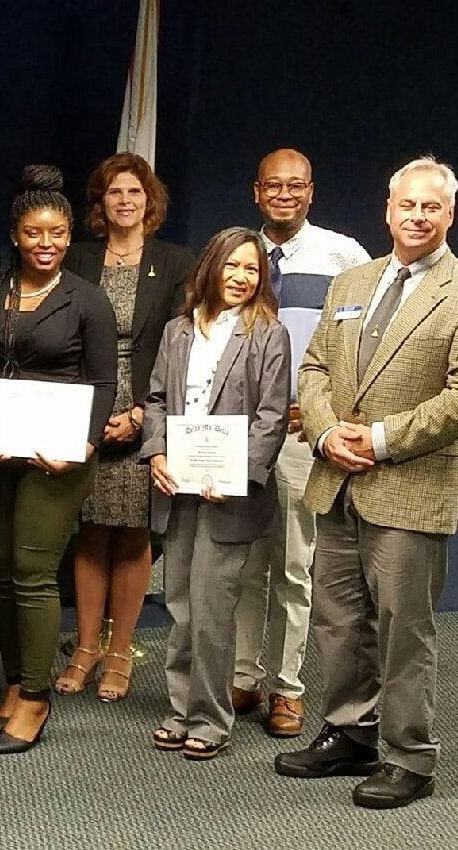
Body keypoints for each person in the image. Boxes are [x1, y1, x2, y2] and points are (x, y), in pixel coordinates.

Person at [276, 157, 458, 809]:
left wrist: (376, 441)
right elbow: (316, 364)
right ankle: (351, 732)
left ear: (448, 215)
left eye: (429, 207)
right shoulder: (350, 281)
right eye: (405, 205)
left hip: (408, 487)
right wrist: (324, 433)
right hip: (336, 479)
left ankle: (409, 757)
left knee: (402, 626)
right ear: (386, 209)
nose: (415, 216)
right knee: (338, 618)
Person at [0, 165, 118, 754]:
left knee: (32, 573)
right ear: (15, 234)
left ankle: (35, 697)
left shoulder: (88, 301)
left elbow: (104, 383)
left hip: (59, 456)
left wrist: (84, 443)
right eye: (35, 232)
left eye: (57, 232)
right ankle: (12, 681)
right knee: (1, 572)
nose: (47, 243)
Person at [231, 149, 371, 738]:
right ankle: (242, 675)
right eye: (273, 186)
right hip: (237, 433)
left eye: (296, 186)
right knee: (241, 562)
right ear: (256, 191)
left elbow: (361, 349)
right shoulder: (237, 255)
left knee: (293, 565)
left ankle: (287, 688)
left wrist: (319, 413)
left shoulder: (344, 256)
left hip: (298, 434)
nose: (284, 194)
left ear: (311, 192)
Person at [141, 227, 290, 761]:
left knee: (214, 607)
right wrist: (156, 452)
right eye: (233, 266)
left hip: (230, 494)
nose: (242, 277)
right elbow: (156, 399)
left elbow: (272, 418)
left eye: (252, 269)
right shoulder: (178, 330)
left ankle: (211, 717)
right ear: (212, 268)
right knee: (179, 601)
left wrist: (235, 474)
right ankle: (180, 709)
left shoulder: (270, 334)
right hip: (178, 486)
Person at [59, 152, 194, 701]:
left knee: (135, 533)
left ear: (150, 201)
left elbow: (181, 346)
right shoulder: (78, 259)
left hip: (146, 409)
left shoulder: (178, 262)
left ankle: (120, 653)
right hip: (85, 410)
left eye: (134, 193)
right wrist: (92, 417)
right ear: (101, 202)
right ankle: (85, 648)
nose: (124, 201)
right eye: (114, 192)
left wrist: (141, 414)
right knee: (89, 532)